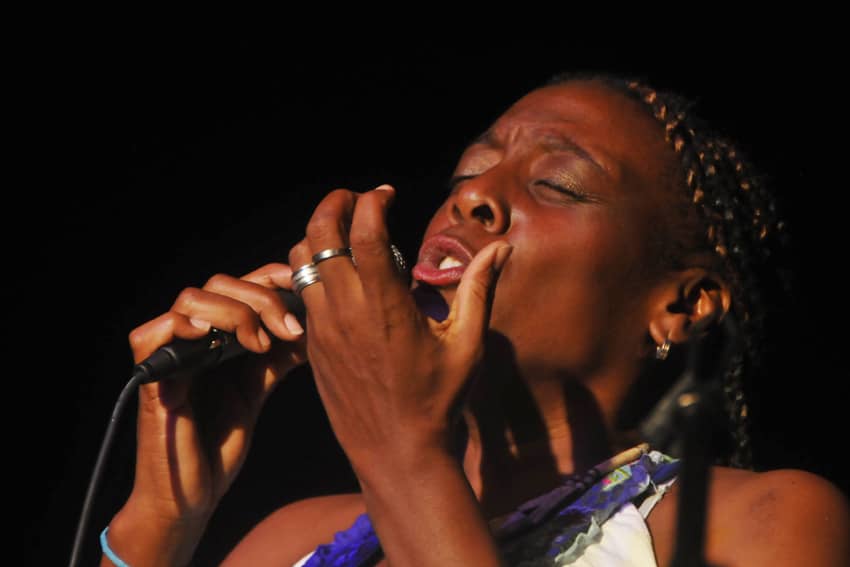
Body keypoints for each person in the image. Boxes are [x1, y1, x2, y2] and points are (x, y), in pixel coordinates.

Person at [98, 70, 850, 566]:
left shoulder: (760, 522)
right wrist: (160, 519)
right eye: (467, 173)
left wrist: (399, 448)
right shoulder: (294, 539)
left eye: (558, 184)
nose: (472, 197)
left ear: (682, 305)